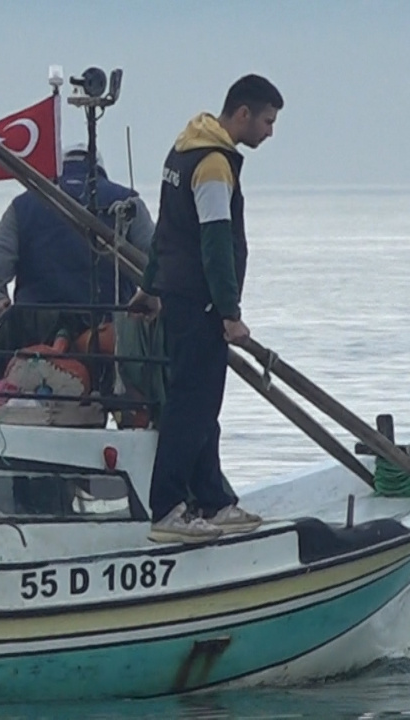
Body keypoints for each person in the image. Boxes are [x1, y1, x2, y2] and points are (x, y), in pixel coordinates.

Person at [128, 74, 283, 544]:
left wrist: (149, 286)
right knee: (191, 408)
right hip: (200, 302)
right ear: (242, 114)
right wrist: (230, 313)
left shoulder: (182, 149)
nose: (270, 133)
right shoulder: (214, 165)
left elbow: (166, 233)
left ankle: (213, 502)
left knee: (201, 406)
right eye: (268, 121)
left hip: (177, 293)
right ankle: (168, 508)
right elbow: (215, 243)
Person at [0, 144, 154, 381]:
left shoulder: (22, 205)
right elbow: (156, 264)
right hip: (105, 333)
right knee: (142, 382)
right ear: (100, 169)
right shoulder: (127, 202)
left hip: (33, 328)